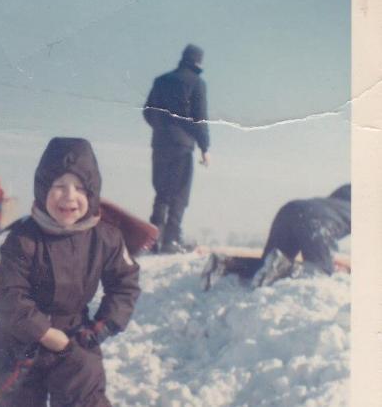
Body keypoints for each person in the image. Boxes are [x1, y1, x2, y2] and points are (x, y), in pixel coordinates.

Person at [0, 137, 141, 407]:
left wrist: (100, 327)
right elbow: (7, 292)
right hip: (20, 341)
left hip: (76, 337)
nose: (69, 196)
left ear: (92, 193)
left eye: (80, 187)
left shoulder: (105, 237)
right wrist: (43, 332)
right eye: (59, 186)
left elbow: (124, 284)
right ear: (43, 188)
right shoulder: (23, 237)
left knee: (85, 395)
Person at [201, 184, 351, 290]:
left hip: (291, 209)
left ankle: (225, 263)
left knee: (266, 263)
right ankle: (284, 267)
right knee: (319, 272)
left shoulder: (339, 200)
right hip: (317, 222)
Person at [143, 44, 210, 254]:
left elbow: (147, 112)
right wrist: (204, 147)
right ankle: (171, 240)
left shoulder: (161, 80)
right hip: (182, 145)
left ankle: (153, 239)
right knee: (179, 192)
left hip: (160, 143)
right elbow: (200, 118)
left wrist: (162, 129)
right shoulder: (197, 83)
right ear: (198, 62)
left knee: (161, 191)